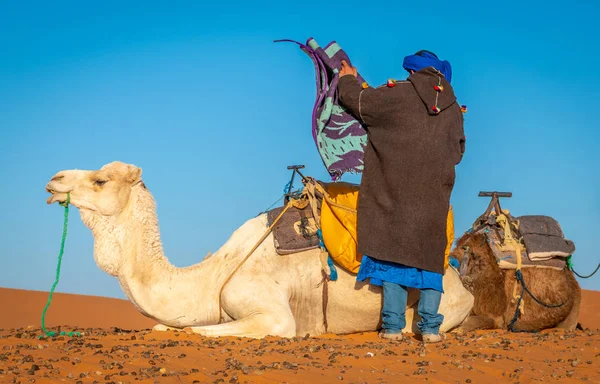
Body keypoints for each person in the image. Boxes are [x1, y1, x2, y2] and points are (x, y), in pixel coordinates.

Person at [337, 50, 466, 343]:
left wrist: (347, 79)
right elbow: (459, 151)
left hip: (394, 196)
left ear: (411, 71)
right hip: (433, 201)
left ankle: (393, 328)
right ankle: (430, 328)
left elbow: (359, 102)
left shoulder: (397, 94)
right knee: (431, 260)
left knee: (393, 256)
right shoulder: (454, 108)